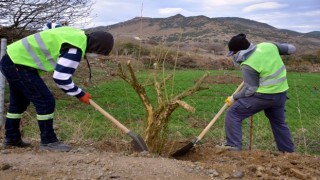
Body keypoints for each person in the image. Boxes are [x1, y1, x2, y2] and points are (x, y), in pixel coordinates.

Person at [0, 26, 114, 151]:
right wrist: (80, 94)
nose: (96, 56)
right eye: (98, 53)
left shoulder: (75, 34)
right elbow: (61, 77)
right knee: (45, 101)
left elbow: (50, 25)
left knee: (19, 102)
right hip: (19, 65)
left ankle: (11, 138)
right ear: (96, 47)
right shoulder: (74, 49)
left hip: (13, 60)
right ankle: (48, 141)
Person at [220, 33, 295, 153]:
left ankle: (233, 148)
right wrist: (277, 50)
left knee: (233, 114)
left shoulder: (248, 64)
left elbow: (250, 89)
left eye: (233, 53)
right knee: (279, 123)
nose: (233, 56)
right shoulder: (268, 46)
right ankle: (288, 152)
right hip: (280, 94)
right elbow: (292, 49)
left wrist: (234, 97)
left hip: (263, 97)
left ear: (239, 52)